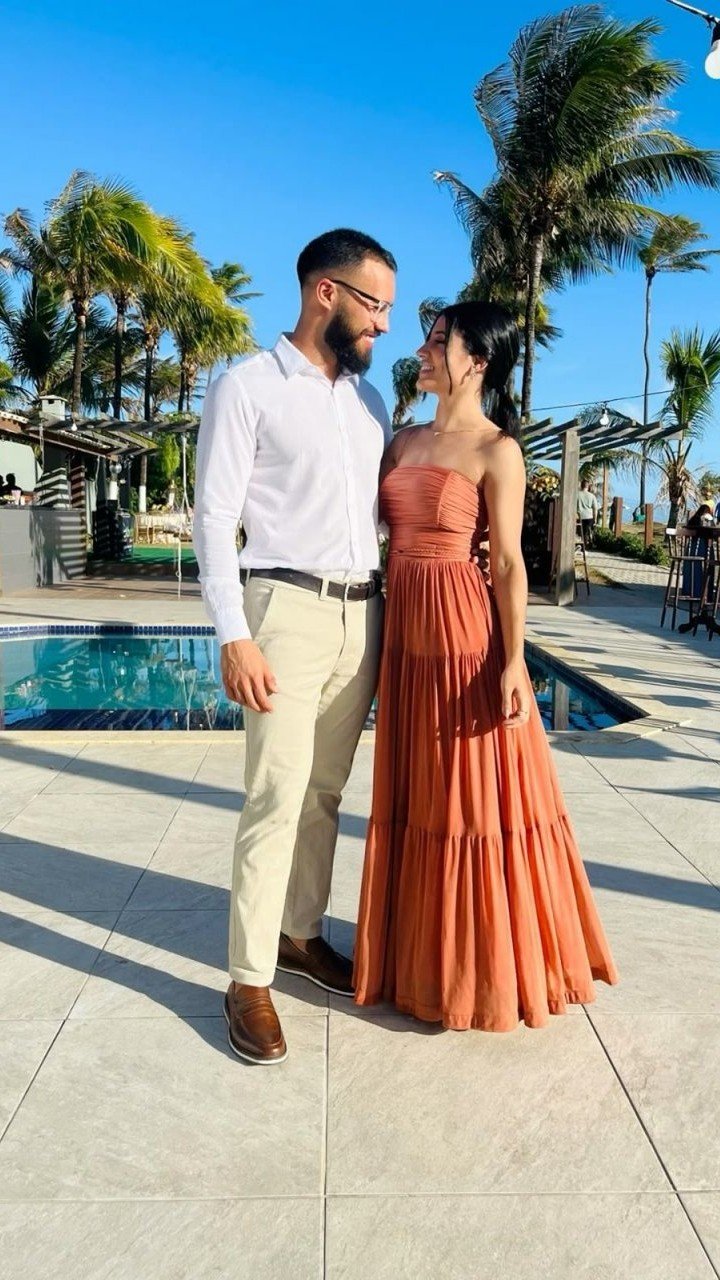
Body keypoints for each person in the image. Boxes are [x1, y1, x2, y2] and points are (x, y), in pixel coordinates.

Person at [353, 301, 618, 1032]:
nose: (423, 351)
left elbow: (505, 563)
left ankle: (475, 973)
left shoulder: (498, 450)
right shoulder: (401, 441)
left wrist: (512, 661)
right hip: (405, 636)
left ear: (477, 361)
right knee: (418, 795)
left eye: (439, 342)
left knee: (465, 801)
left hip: (463, 634)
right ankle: (417, 963)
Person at [193, 228, 396, 1064]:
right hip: (283, 607)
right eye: (374, 304)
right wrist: (234, 633)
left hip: (363, 615)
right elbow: (214, 518)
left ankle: (299, 934)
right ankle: (247, 979)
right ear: (326, 292)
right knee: (274, 795)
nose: (383, 324)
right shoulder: (247, 386)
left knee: (323, 793)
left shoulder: (370, 403)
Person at [577, 480, 599, 546]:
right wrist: (595, 519)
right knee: (587, 531)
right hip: (589, 517)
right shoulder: (592, 496)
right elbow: (595, 509)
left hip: (579, 516)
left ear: (581, 486)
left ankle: (581, 545)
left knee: (580, 532)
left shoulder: (577, 494)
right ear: (588, 486)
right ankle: (588, 543)